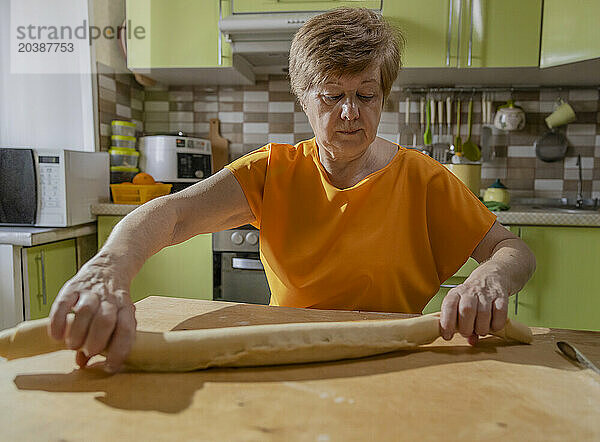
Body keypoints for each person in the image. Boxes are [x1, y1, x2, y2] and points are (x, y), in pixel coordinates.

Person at [49, 7, 536, 373]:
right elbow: (170, 215)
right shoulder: (273, 172)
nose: (351, 113)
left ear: (383, 95)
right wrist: (107, 268)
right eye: (332, 95)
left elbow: (513, 249)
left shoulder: (424, 179)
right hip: (287, 358)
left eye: (366, 95)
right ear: (303, 99)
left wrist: (492, 277)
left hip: (398, 358)